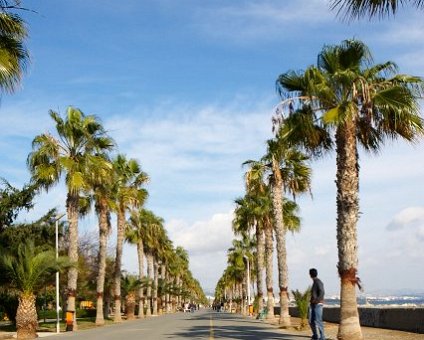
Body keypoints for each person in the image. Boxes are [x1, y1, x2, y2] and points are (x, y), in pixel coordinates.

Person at [309, 268, 326, 340]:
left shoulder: (318, 282)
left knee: (318, 321)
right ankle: (315, 335)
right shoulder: (315, 282)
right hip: (313, 304)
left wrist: (317, 300)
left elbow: (322, 292)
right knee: (311, 321)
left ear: (310, 274)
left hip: (318, 304)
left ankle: (322, 337)